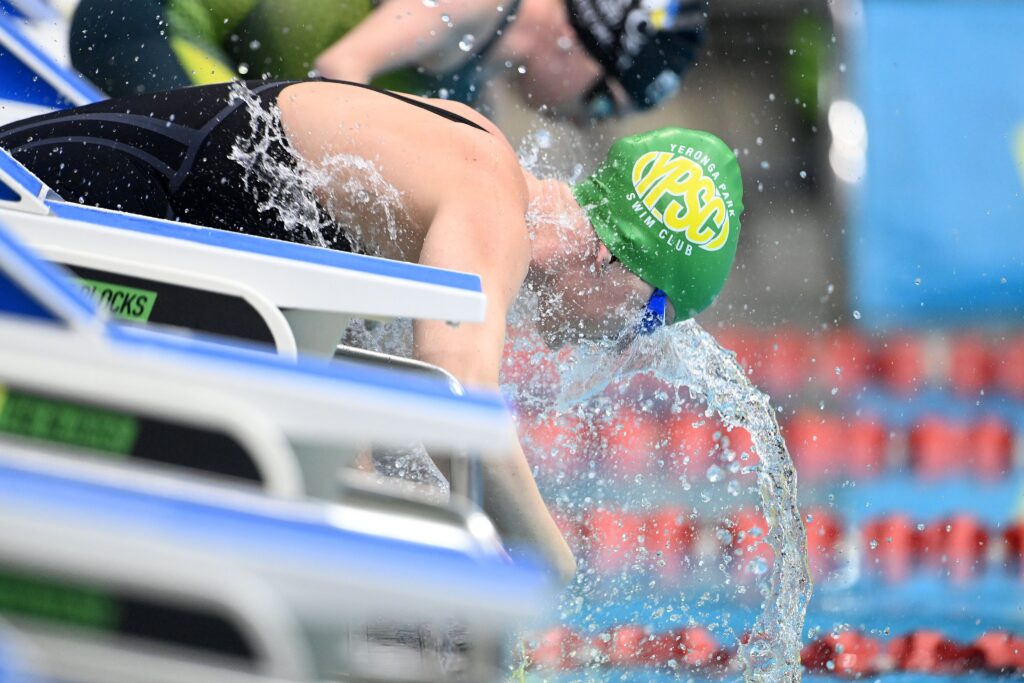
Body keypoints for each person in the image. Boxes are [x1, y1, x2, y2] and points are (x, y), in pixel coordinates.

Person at [0, 79, 743, 582]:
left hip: (91, 188)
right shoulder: (494, 215)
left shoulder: (479, 151)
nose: (616, 340)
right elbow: (452, 401)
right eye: (647, 318)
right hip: (60, 213)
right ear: (617, 258)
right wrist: (553, 572)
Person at [69, 0, 705, 122]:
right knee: (241, 165)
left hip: (191, 52)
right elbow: (339, 70)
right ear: (584, 42)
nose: (579, 120)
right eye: (600, 104)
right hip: (148, 20)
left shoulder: (471, 88)